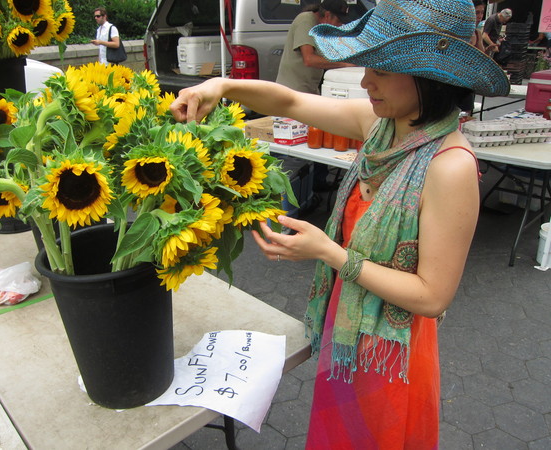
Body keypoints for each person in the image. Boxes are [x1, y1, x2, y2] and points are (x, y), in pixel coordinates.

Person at [170, 0, 509, 447]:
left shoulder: (450, 167)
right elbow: (290, 100)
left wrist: (330, 253)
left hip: (392, 356)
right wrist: (220, 85)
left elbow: (432, 296)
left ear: (430, 77)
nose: (366, 81)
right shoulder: (380, 127)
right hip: (348, 331)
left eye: (381, 71)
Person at [276, 0, 354, 193]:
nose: (340, 25)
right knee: (294, 147)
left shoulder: (324, 29)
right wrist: (346, 64)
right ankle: (292, 189)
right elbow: (309, 59)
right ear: (327, 15)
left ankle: (316, 184)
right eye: (338, 20)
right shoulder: (306, 20)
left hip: (309, 91)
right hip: (292, 92)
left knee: (317, 138)